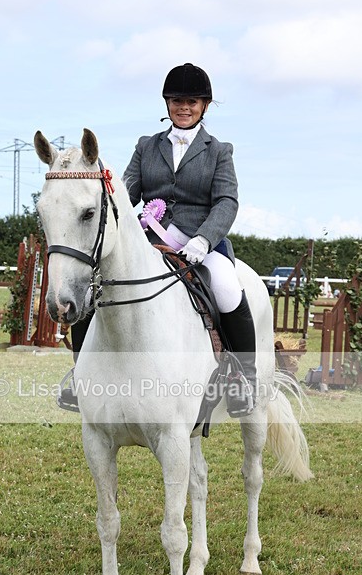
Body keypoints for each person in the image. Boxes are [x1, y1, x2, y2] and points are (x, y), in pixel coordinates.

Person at [60, 62, 257, 417]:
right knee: (92, 289)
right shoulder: (146, 146)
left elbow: (227, 201)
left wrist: (204, 239)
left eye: (192, 102)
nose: (184, 107)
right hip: (150, 240)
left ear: (205, 106)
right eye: (177, 100)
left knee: (227, 288)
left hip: (200, 244)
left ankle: (244, 378)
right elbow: (125, 192)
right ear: (167, 104)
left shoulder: (219, 151)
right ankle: (79, 377)